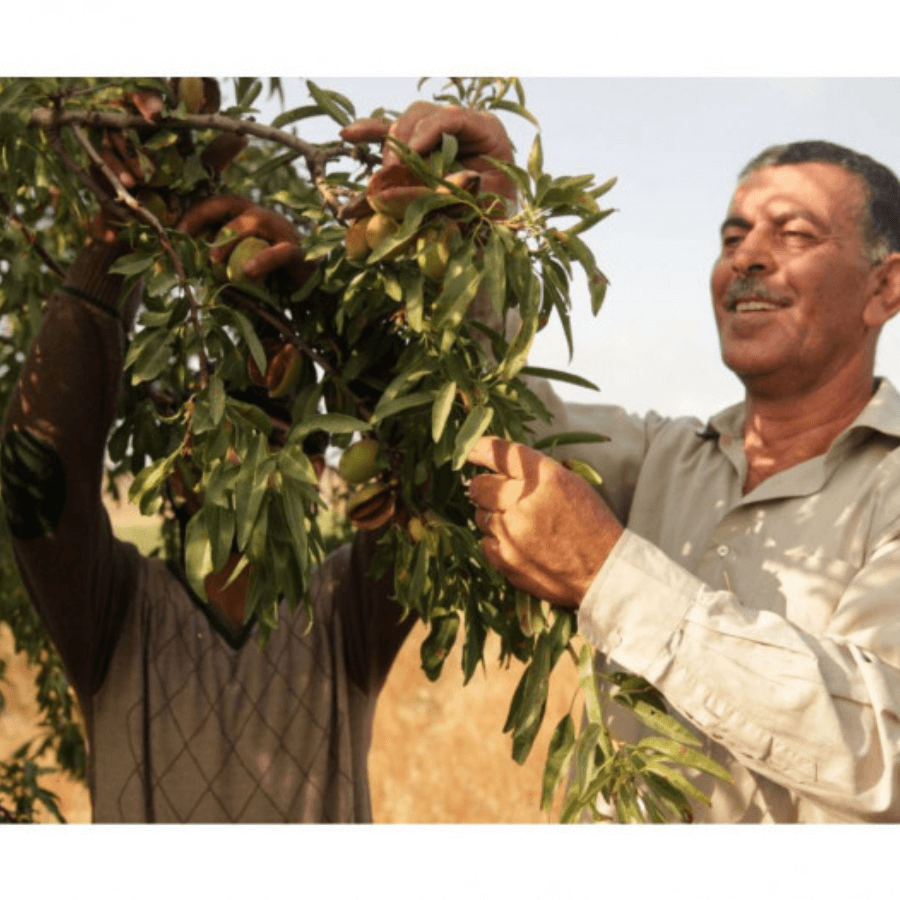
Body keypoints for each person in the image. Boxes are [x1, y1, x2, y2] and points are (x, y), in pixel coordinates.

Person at [0, 90, 512, 823]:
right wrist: (120, 232)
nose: (270, 445)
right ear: (177, 467)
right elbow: (33, 476)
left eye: (295, 420)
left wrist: (326, 317)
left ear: (320, 468)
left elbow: (442, 454)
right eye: (229, 415)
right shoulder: (112, 613)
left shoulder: (346, 616)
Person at [465, 135, 900, 822]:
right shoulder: (665, 457)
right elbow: (496, 414)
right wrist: (471, 232)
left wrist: (611, 575)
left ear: (885, 287)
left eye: (794, 234)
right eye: (733, 236)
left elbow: (884, 750)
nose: (746, 257)